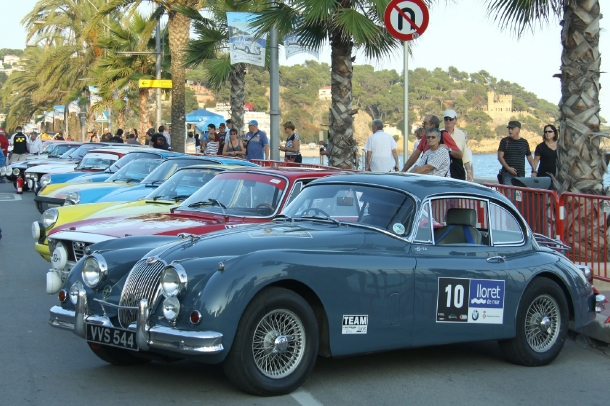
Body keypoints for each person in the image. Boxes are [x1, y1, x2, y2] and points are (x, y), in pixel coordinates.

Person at [497, 120, 536, 185]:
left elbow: (529, 157)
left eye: (512, 129)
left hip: (521, 174)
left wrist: (534, 171)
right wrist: (508, 168)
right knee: (509, 194)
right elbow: (500, 157)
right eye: (509, 129)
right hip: (507, 174)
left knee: (519, 194)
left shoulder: (524, 142)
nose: (510, 131)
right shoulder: (504, 141)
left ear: (518, 129)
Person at [441, 110, 467, 180]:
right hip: (443, 170)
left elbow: (465, 155)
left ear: (455, 120)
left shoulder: (461, 134)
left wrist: (469, 171)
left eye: (451, 119)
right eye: (446, 119)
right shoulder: (438, 134)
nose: (448, 121)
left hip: (457, 169)